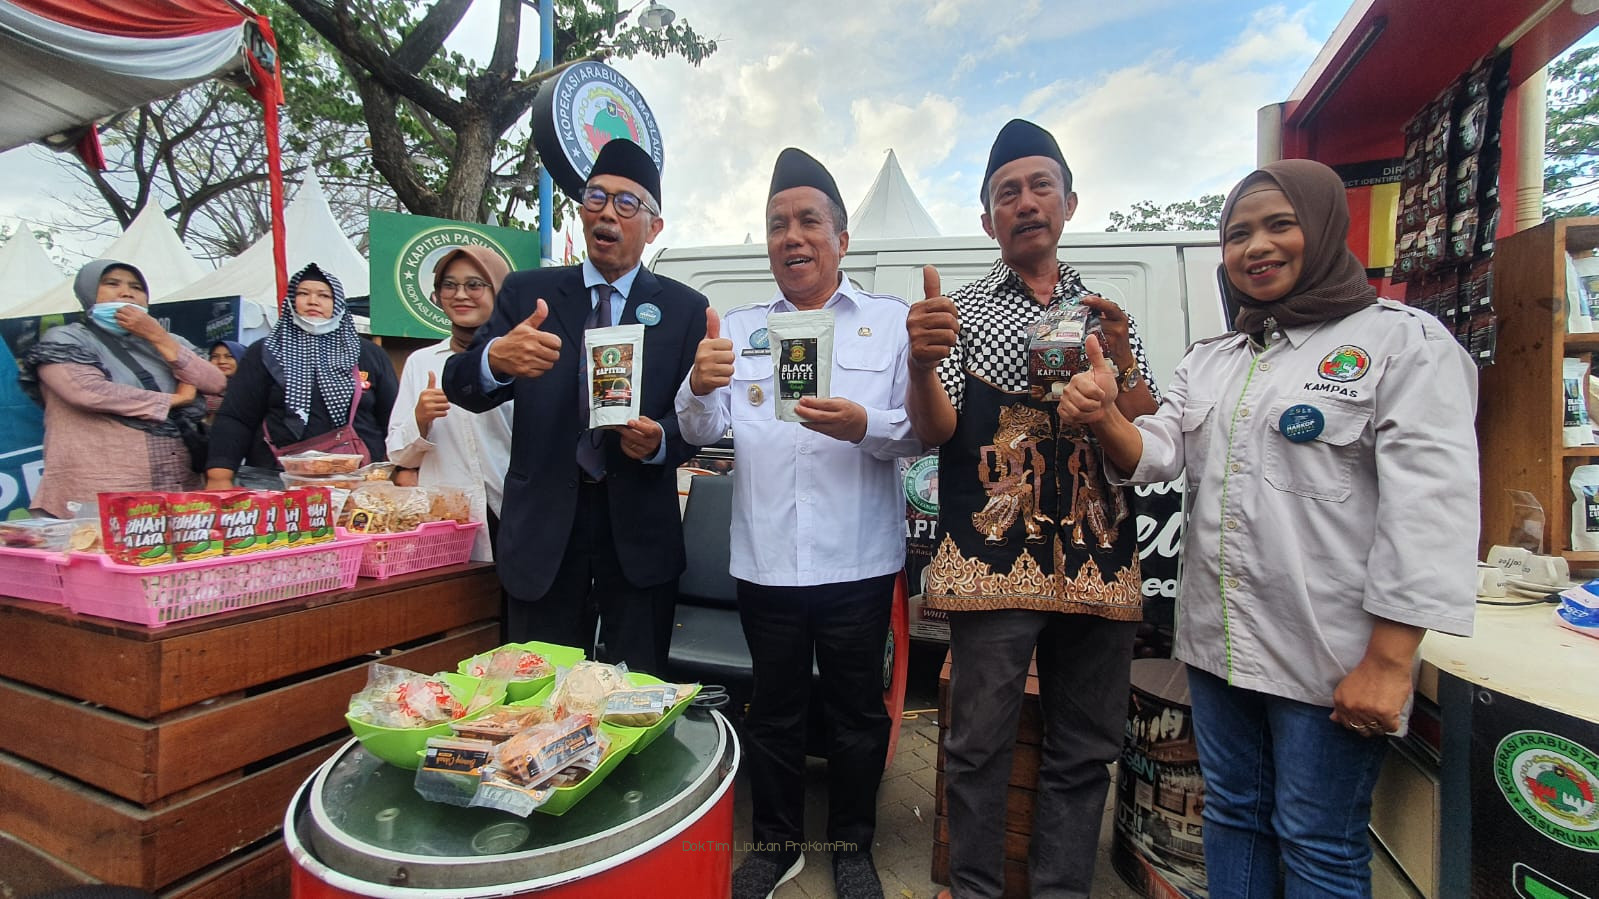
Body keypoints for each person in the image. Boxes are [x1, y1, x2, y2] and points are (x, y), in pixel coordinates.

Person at [1055, 159, 1477, 896]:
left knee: (1318, 842)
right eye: (1237, 234)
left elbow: (1430, 510)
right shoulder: (1214, 359)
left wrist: (1388, 661)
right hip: (1218, 647)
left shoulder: (1402, 343)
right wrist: (1103, 414)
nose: (1256, 247)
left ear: (1324, 228)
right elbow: (1155, 454)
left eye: (1279, 225)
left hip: (1329, 656)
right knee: (1234, 815)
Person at [903, 119, 1160, 899]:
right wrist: (920, 364)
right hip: (993, 558)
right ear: (987, 220)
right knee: (977, 745)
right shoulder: (961, 312)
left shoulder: (1104, 313)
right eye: (1005, 193)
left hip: (1097, 554)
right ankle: (973, 890)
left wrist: (1121, 362)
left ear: (1068, 202)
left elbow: (1148, 435)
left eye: (1039, 185)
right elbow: (935, 429)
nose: (1024, 202)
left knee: (1084, 750)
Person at [677, 147, 921, 899]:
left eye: (809, 221)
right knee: (774, 712)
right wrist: (697, 386)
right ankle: (776, 846)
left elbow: (919, 432)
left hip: (858, 560)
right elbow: (699, 431)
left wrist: (863, 425)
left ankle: (852, 848)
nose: (792, 236)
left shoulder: (888, 323)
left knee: (856, 714)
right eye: (778, 223)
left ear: (841, 238)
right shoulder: (741, 328)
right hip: (767, 560)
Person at [443, 138, 708, 672]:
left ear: (654, 227)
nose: (607, 213)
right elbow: (460, 384)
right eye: (596, 198)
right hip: (543, 531)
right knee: (537, 692)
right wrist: (497, 359)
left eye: (626, 203)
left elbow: (695, 423)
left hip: (638, 536)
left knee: (636, 693)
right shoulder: (528, 294)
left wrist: (660, 441)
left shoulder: (684, 309)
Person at [21, 259, 225, 517]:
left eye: (136, 287)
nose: (127, 293)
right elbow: (87, 392)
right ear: (87, 292)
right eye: (112, 284)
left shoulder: (169, 341)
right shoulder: (67, 338)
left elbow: (216, 382)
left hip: (177, 479)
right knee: (98, 538)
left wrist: (158, 337)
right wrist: (175, 399)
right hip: (100, 482)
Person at [205, 263, 398, 485]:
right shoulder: (266, 351)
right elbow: (237, 416)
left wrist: (402, 469)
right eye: (303, 294)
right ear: (291, 301)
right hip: (278, 478)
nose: (313, 301)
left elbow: (393, 417)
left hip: (356, 479)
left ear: (337, 303)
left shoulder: (367, 354)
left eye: (324, 295)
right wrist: (219, 475)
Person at [387, 246, 513, 562]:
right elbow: (398, 454)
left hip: (512, 513)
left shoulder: (517, 362)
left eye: (474, 285)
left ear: (498, 291)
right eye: (449, 285)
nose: (460, 295)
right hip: (447, 523)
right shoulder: (422, 362)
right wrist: (420, 420)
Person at [203, 339, 247, 424]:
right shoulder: (200, 386)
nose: (221, 361)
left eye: (229, 356)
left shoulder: (249, 390)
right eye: (215, 356)